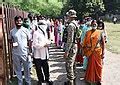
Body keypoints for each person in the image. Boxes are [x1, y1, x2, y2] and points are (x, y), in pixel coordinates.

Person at [9, 16, 31, 85]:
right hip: (16, 53)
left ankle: (28, 81)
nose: (19, 22)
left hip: (24, 52)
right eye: (17, 21)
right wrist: (13, 43)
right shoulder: (12, 31)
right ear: (15, 21)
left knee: (26, 68)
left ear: (22, 22)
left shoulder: (26, 30)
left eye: (20, 21)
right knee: (18, 69)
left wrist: (29, 51)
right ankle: (20, 82)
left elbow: (29, 40)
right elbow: (9, 39)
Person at [82, 20, 105, 85]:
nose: (94, 25)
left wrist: (103, 53)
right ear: (91, 25)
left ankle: (98, 79)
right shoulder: (88, 32)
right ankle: (89, 79)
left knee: (98, 66)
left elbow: (103, 43)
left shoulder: (100, 32)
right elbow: (84, 42)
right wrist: (85, 50)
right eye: (93, 24)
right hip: (90, 52)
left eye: (95, 24)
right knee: (90, 66)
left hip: (97, 52)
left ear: (97, 25)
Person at [32, 20, 52, 85]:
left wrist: (48, 43)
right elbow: (35, 44)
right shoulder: (36, 33)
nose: (44, 27)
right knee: (39, 68)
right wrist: (43, 45)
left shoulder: (44, 33)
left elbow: (46, 41)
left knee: (46, 68)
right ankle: (40, 80)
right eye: (42, 25)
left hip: (45, 54)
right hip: (38, 54)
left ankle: (47, 79)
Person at [64, 9, 78, 85]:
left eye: (68, 15)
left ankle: (71, 82)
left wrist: (66, 52)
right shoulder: (75, 24)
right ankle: (73, 81)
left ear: (70, 16)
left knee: (69, 65)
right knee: (73, 65)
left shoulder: (71, 25)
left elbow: (70, 40)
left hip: (71, 47)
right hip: (75, 46)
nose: (67, 17)